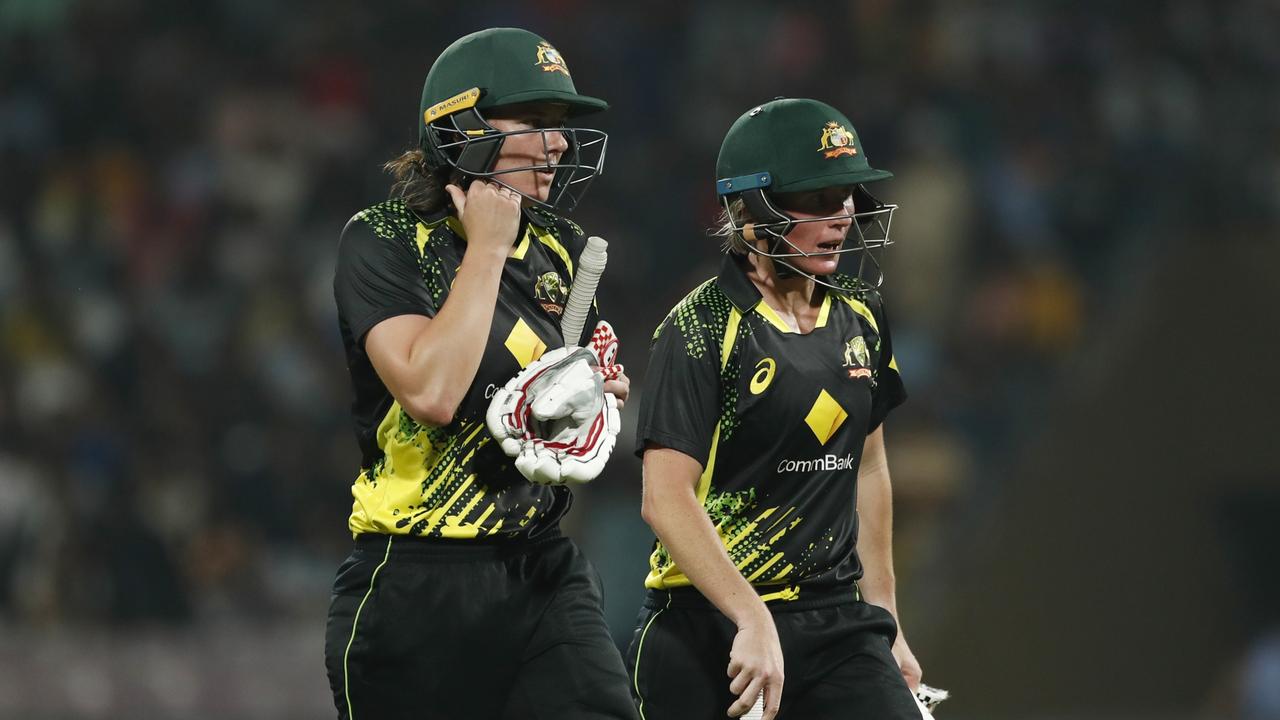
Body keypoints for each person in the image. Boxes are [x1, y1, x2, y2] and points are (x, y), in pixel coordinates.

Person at [324, 27, 637, 720]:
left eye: (561, 125)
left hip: (542, 567)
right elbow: (432, 392)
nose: (558, 143)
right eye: (534, 121)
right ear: (461, 126)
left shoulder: (566, 249)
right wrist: (489, 249)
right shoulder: (383, 238)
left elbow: (569, 411)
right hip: (413, 583)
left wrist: (596, 398)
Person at [627, 98, 924, 720]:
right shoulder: (700, 328)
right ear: (752, 210)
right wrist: (751, 616)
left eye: (846, 195)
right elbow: (664, 497)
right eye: (818, 199)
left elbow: (867, 468)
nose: (842, 216)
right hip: (707, 630)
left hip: (839, 626)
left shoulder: (862, 315)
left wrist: (886, 615)